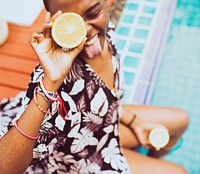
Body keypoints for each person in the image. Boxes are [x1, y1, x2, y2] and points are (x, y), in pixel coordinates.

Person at [0, 0, 189, 173]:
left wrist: (135, 123)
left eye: (93, 12)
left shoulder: (104, 32)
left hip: (101, 128)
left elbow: (103, 99)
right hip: (79, 159)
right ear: (51, 17)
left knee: (181, 119)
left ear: (107, 3)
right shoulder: (56, 87)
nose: (85, 32)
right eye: (71, 21)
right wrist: (51, 82)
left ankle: (149, 158)